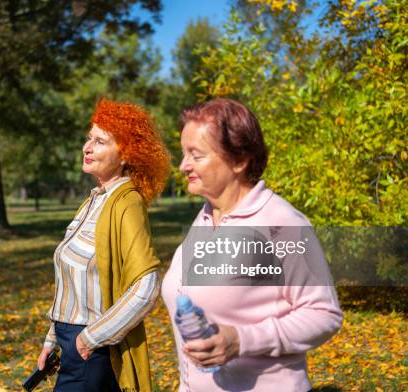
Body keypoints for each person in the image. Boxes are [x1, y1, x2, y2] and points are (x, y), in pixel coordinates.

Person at [161, 98, 343, 391]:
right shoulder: (206, 216)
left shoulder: (281, 223)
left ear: (239, 160)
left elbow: (324, 315)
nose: (183, 166)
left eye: (196, 155)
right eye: (184, 154)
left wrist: (242, 339)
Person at [37, 98, 171, 392]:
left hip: (92, 351)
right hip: (71, 344)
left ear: (126, 155)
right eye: (89, 138)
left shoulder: (127, 203)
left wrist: (89, 339)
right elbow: (75, 281)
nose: (87, 147)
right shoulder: (93, 201)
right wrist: (53, 340)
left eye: (99, 141)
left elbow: (146, 287)